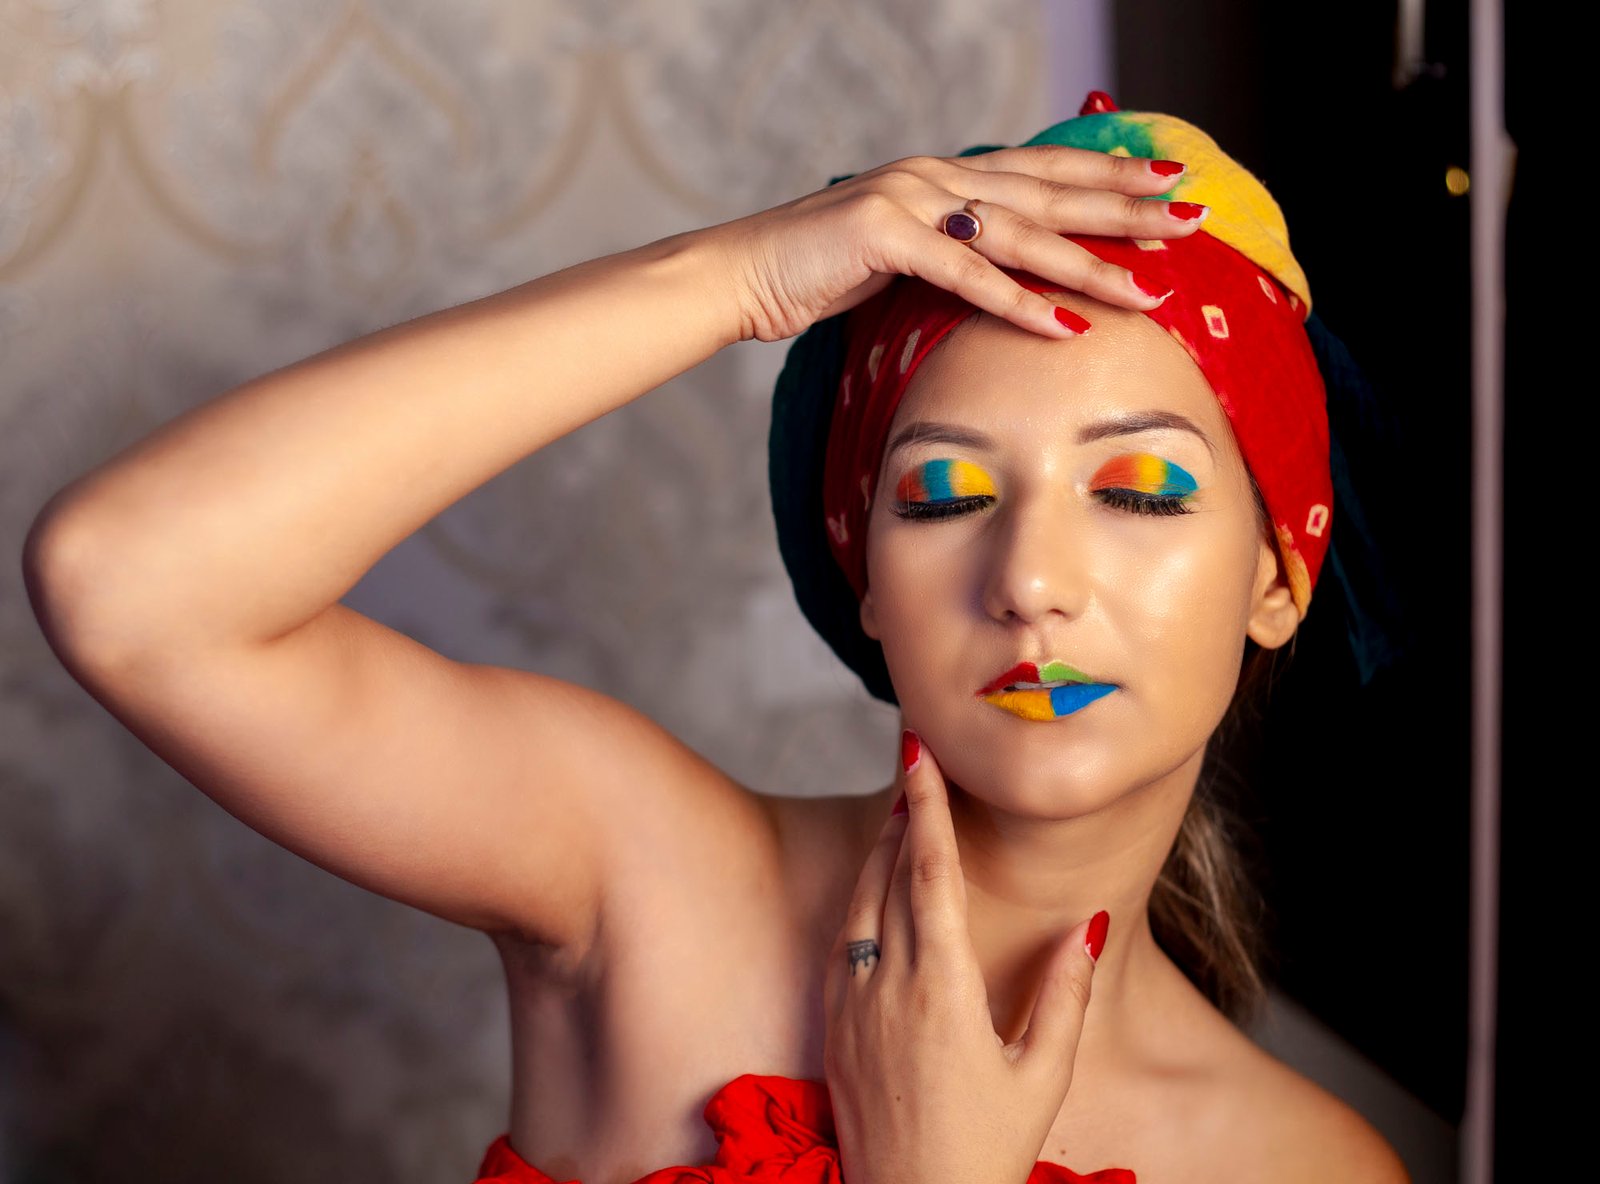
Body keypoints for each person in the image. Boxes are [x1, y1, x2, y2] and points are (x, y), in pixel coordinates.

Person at [21, 91, 1409, 1182]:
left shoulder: (1310, 1166)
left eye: (1139, 490)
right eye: (946, 494)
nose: (1031, 581)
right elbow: (128, 584)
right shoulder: (638, 877)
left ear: (1279, 578)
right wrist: (742, 276)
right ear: (868, 580)